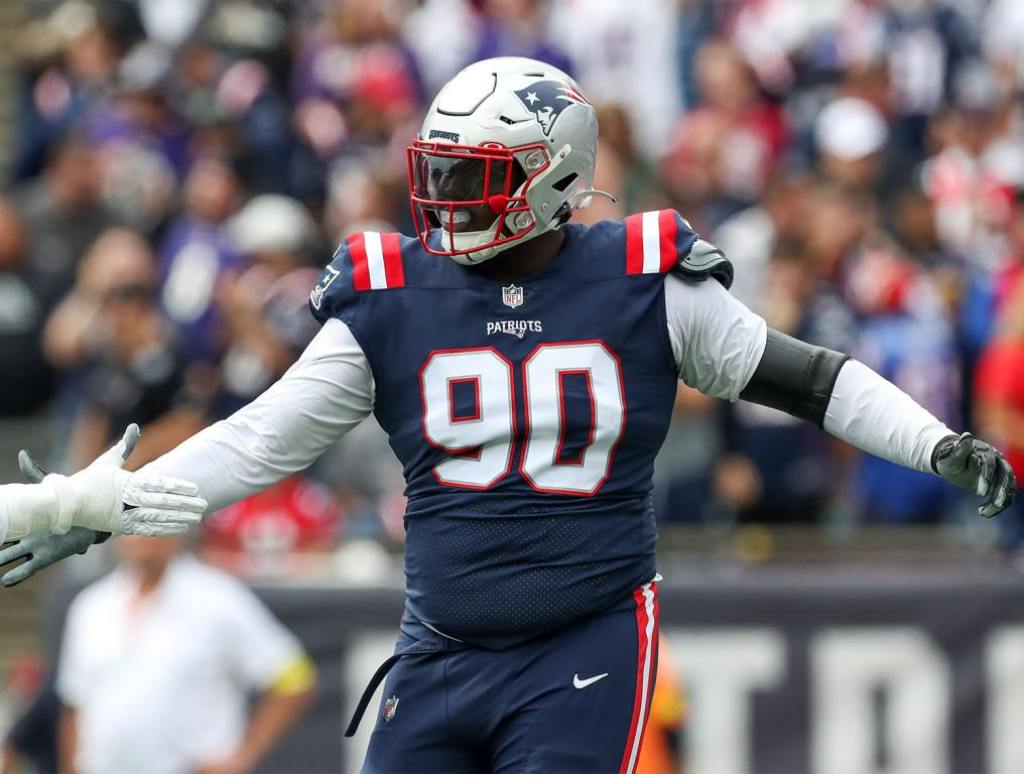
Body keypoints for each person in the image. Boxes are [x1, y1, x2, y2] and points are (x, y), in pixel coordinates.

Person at [0, 58, 1016, 772]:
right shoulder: (394, 295)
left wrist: (931, 441)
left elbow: (812, 380)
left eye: (472, 180)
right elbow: (260, 440)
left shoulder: (645, 282)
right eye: (436, 172)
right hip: (437, 645)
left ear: (555, 178)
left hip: (585, 637)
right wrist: (89, 502)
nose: (442, 201)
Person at [57, 534, 316, 774]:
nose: (141, 533)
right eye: (130, 521)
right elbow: (75, 703)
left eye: (152, 521)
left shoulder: (218, 598)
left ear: (178, 528)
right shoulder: (92, 605)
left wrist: (245, 754)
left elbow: (296, 678)